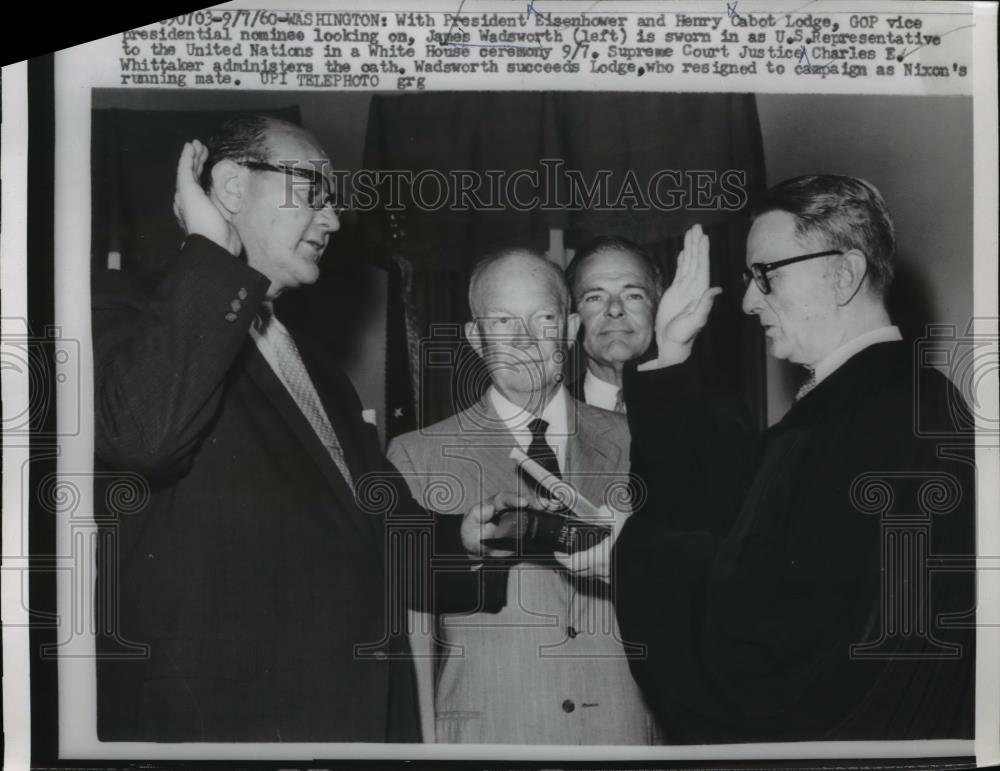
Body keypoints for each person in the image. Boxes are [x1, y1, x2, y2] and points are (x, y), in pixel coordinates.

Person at [92, 115, 526, 742]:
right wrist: (210, 254)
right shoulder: (119, 313)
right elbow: (143, 438)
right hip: (220, 732)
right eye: (312, 191)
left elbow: (376, 534)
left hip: (354, 726)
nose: (332, 219)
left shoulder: (319, 369)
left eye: (334, 200)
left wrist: (463, 537)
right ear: (233, 187)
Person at [566, 176, 976, 742]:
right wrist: (673, 353)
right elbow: (728, 516)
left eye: (766, 275)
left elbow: (778, 620)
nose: (748, 300)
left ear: (844, 273)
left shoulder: (884, 413)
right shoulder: (874, 401)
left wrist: (630, 552)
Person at [386, 249, 657, 744]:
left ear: (571, 329)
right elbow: (414, 644)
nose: (525, 340)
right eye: (503, 321)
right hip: (490, 740)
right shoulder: (416, 458)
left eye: (544, 318)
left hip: (622, 737)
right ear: (475, 337)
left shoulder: (641, 442)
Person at [564, 236, 663, 412]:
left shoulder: (712, 411)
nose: (615, 309)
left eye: (633, 295)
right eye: (594, 298)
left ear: (657, 304)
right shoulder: (545, 419)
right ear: (572, 314)